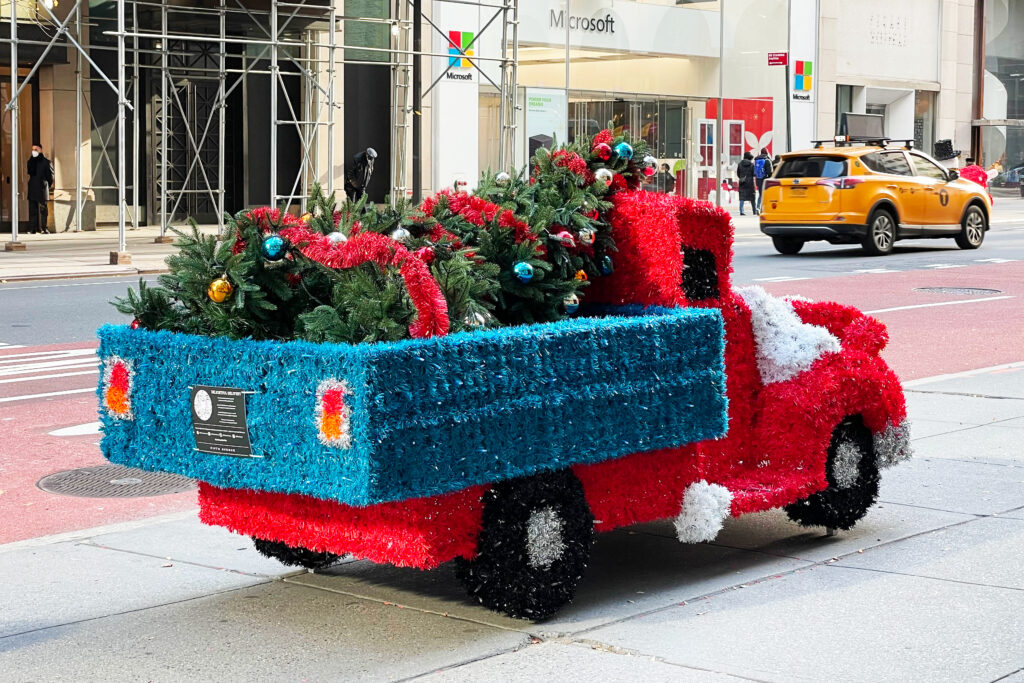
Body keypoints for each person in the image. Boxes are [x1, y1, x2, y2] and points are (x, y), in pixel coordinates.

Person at [27, 143, 53, 234]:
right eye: (33, 149)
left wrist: (47, 185)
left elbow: (50, 177)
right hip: (33, 187)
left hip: (42, 187)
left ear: (40, 150)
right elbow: (29, 172)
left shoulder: (46, 162)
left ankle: (44, 228)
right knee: (32, 209)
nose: (34, 151)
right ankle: (33, 228)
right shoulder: (30, 161)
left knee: (43, 209)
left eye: (36, 149)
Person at [753, 147, 774, 212]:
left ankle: (758, 207)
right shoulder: (767, 160)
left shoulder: (756, 160)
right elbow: (770, 172)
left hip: (758, 179)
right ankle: (764, 208)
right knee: (766, 194)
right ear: (767, 152)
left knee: (760, 193)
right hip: (765, 179)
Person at [736, 151, 756, 215]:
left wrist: (741, 177)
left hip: (742, 182)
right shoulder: (752, 165)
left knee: (742, 197)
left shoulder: (740, 164)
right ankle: (754, 211)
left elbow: (738, 174)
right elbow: (754, 173)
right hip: (750, 183)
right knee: (752, 198)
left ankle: (741, 211)